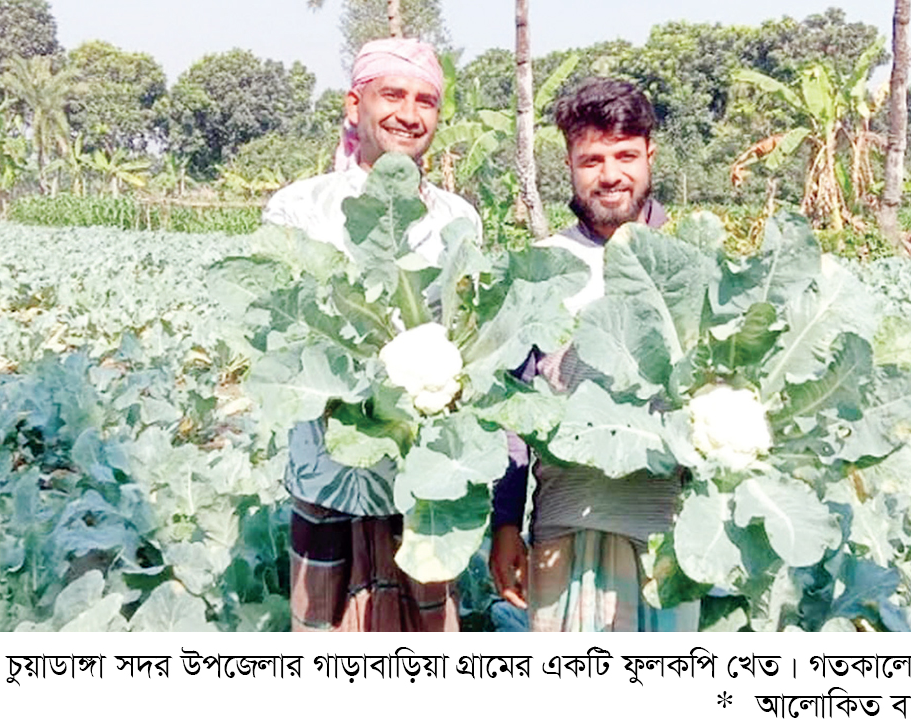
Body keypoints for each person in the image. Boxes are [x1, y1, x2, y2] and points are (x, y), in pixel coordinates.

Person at [262, 38, 482, 631]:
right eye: (393, 95)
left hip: (426, 485)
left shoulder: (459, 219)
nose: (410, 115)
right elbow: (282, 340)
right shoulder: (298, 210)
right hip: (326, 471)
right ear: (353, 103)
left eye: (426, 101)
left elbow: (469, 330)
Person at [489, 77, 699, 631]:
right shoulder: (545, 264)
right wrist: (505, 522)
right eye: (593, 159)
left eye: (626, 155)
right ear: (570, 164)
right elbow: (512, 411)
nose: (610, 175)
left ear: (650, 155)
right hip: (564, 524)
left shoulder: (693, 262)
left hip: (668, 535)